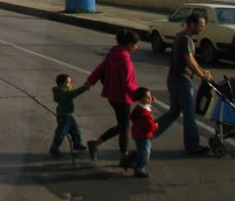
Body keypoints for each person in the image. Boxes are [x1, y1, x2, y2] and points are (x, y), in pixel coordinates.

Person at [154, 13, 212, 155]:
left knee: (174, 112)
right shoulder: (186, 39)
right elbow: (189, 61)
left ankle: (148, 133)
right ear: (191, 24)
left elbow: (192, 60)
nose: (201, 29)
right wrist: (203, 75)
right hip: (182, 81)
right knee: (189, 115)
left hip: (173, 80)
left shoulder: (181, 37)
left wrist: (203, 72)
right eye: (200, 25)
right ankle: (193, 146)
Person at [84, 29, 140, 168]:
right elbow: (128, 84)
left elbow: (100, 68)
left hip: (112, 95)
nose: (137, 48)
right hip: (122, 97)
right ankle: (123, 157)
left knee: (123, 126)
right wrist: (141, 95)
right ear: (130, 44)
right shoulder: (125, 60)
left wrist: (90, 81)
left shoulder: (113, 53)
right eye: (136, 45)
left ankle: (96, 144)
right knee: (124, 128)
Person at [49, 74, 90, 156]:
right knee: (61, 132)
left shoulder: (62, 92)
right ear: (61, 84)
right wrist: (84, 88)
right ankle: (54, 148)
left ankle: (77, 144)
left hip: (67, 115)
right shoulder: (64, 93)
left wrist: (84, 87)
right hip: (64, 116)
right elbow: (74, 93)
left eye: (71, 82)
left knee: (75, 129)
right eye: (68, 82)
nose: (70, 84)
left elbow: (72, 92)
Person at [130, 86, 158, 178]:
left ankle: (128, 160)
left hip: (139, 134)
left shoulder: (140, 107)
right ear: (142, 99)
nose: (150, 99)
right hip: (143, 135)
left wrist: (151, 99)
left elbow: (149, 101)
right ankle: (139, 169)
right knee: (145, 152)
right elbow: (149, 126)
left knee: (140, 150)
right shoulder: (144, 113)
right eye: (148, 97)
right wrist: (155, 126)